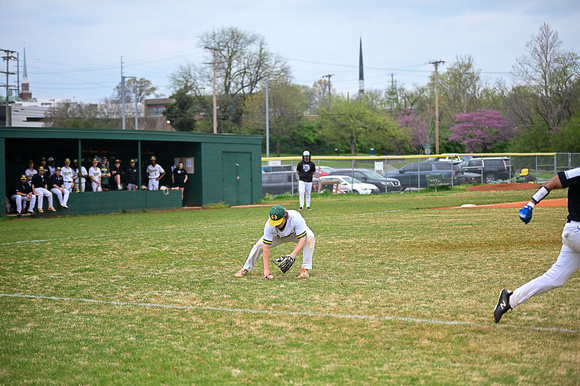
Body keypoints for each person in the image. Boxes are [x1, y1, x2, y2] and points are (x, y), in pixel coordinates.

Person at [494, 167, 580, 323]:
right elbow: (553, 182)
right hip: (576, 231)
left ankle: (510, 300)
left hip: (574, 236)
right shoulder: (579, 173)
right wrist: (530, 204)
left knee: (555, 279)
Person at [235, 205, 315, 279]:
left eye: (279, 222)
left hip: (294, 234)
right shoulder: (269, 225)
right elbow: (266, 247)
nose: (276, 225)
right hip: (277, 236)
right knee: (259, 245)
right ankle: (246, 268)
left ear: (285, 217)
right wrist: (266, 269)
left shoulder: (295, 217)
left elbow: (302, 239)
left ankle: (305, 269)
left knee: (310, 237)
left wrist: (292, 255)